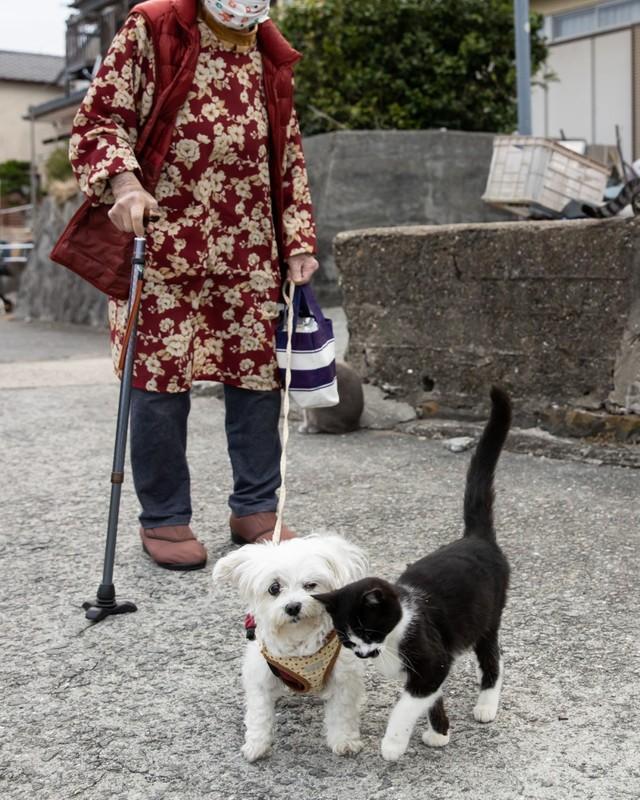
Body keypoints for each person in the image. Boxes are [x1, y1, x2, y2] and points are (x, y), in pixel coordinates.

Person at [67, 0, 319, 570]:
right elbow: (101, 119)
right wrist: (124, 184)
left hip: (251, 240)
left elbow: (289, 152)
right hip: (162, 238)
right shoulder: (157, 25)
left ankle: (256, 507)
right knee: (158, 378)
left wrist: (298, 237)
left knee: (256, 373)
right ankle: (164, 517)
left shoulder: (268, 50)